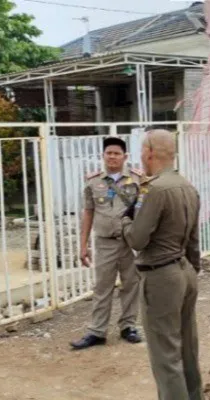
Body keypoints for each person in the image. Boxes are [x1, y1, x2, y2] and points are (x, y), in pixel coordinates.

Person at [121, 129, 202, 400]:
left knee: (165, 356)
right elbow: (193, 241)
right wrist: (191, 273)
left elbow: (137, 239)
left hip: (161, 276)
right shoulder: (187, 185)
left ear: (149, 153)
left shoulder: (153, 189)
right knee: (187, 349)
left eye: (143, 150)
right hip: (184, 270)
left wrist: (125, 217)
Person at [70, 136, 143, 350]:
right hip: (105, 243)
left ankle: (128, 326)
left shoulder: (138, 180)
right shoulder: (93, 182)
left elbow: (147, 211)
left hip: (130, 243)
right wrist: (83, 245)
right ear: (103, 156)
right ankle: (97, 331)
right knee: (102, 287)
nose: (112, 157)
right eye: (108, 153)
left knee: (131, 284)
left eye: (116, 153)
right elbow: (88, 213)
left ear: (125, 156)